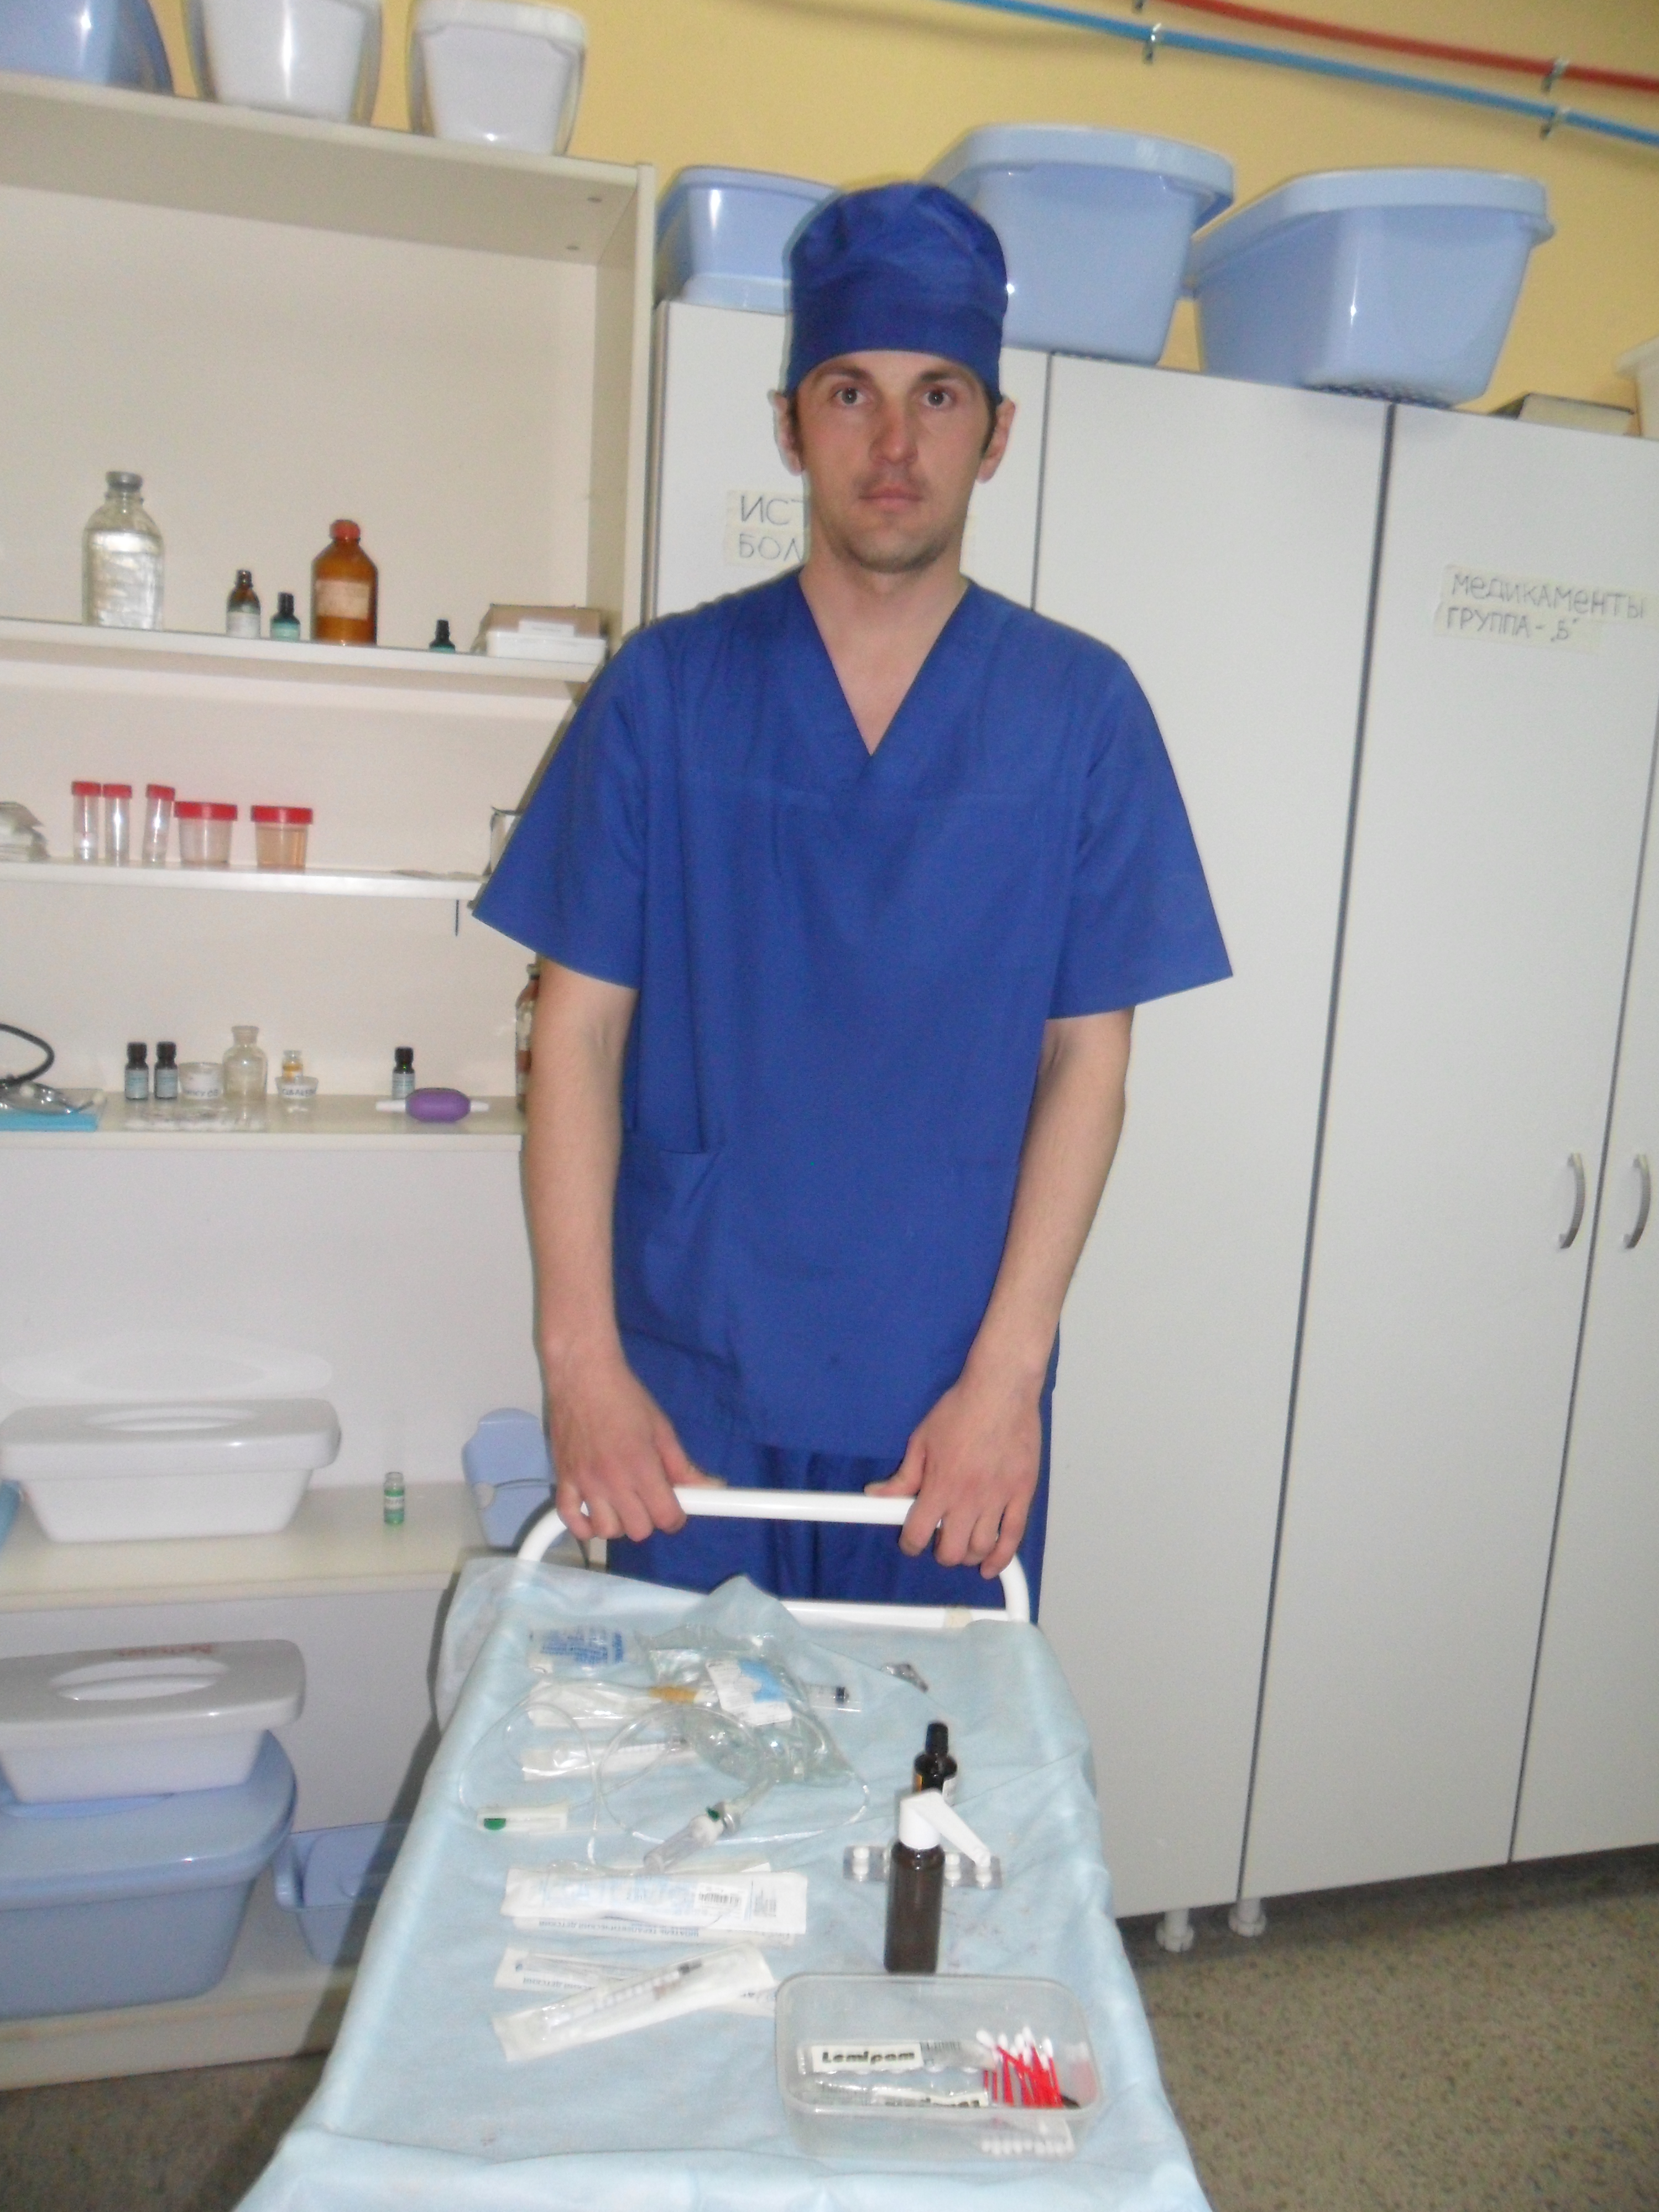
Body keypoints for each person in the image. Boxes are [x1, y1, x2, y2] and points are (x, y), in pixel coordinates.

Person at [476, 181, 1229, 1611]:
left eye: (939, 395)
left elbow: (1091, 1061)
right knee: (691, 1748)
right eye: (849, 394)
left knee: (922, 1751)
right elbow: (575, 1033)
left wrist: (1007, 1381)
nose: (894, 445)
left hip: (947, 1407)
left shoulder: (1080, 715)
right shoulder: (665, 694)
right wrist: (581, 1366)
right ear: (790, 425)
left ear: (996, 433)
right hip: (687, 1391)